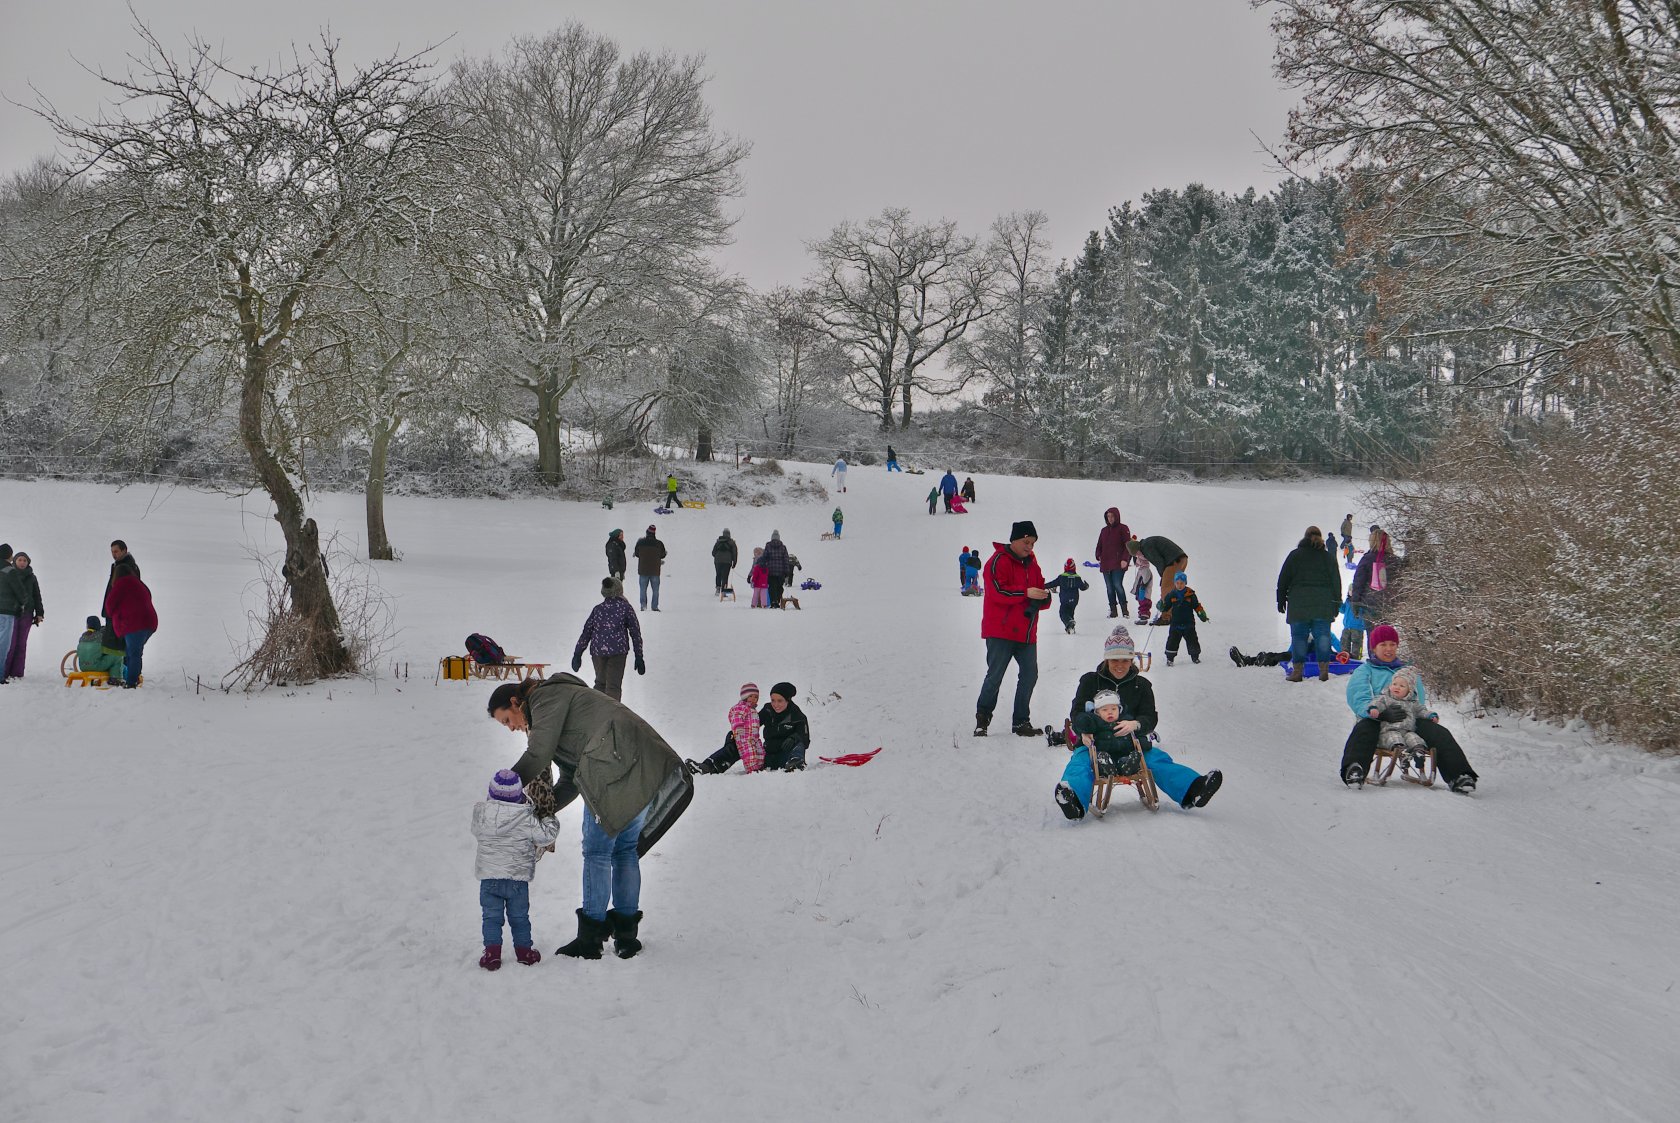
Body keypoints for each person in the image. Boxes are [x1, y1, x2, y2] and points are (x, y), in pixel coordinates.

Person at [488, 674, 694, 959]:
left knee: (597, 852)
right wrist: (540, 812)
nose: (511, 728)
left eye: (507, 720)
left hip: (611, 764)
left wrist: (505, 789)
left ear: (515, 702)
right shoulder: (563, 698)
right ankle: (626, 937)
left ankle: (590, 939)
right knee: (624, 852)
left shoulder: (544, 698)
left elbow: (538, 754)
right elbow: (571, 779)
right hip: (638, 764)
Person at [1055, 625, 1223, 818]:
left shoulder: (1141, 685)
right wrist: (1083, 732)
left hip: (1130, 745)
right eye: (1114, 660)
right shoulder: (1091, 681)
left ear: (1132, 660)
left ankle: (1194, 790)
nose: (1120, 665)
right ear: (1106, 659)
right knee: (1081, 762)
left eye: (1125, 660)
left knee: (1156, 759)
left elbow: (1150, 717)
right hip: (1094, 743)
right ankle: (1073, 799)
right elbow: (1076, 712)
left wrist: (1136, 724)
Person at [1338, 624, 1478, 793]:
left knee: (1439, 733)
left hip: (1408, 720)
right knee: (1363, 730)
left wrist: (1425, 715)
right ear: (1374, 647)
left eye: (1392, 644)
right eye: (1383, 645)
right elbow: (1358, 698)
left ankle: (1460, 776)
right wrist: (1379, 713)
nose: (1388, 649)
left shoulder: (1408, 672)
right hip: (1377, 718)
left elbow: (1418, 698)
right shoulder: (1365, 671)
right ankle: (1354, 769)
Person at [472, 768, 562, 971]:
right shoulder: (526, 818)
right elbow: (546, 836)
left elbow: (476, 830)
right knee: (520, 917)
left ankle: (492, 955)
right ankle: (525, 953)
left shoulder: (482, 814)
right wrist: (549, 818)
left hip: (490, 879)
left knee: (491, 917)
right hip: (516, 880)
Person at [974, 520, 1051, 737]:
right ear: (1015, 540)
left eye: (1033, 544)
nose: (1029, 547)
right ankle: (983, 718)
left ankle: (1020, 722)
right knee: (995, 675)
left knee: (1030, 674)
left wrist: (1044, 597)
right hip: (1000, 631)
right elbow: (997, 592)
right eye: (1027, 542)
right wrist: (1026, 593)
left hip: (1026, 633)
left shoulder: (1033, 565)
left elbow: (1039, 591)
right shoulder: (998, 561)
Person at [1276, 525, 1343, 683]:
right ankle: (1323, 671)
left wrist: (1280, 599)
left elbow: (1283, 579)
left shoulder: (1295, 555)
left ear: (1305, 537)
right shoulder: (1328, 558)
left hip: (1299, 605)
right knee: (1323, 637)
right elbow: (1336, 582)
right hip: (1323, 604)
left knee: (1299, 637)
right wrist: (1336, 603)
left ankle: (1298, 672)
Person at [570, 577, 646, 701]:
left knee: (600, 684)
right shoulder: (625, 608)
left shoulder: (598, 609)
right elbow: (635, 632)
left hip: (598, 652)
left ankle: (597, 713)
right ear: (619, 590)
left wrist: (577, 653)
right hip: (618, 652)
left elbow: (586, 632)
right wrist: (639, 656)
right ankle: (611, 716)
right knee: (613, 687)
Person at [686, 683, 766, 774]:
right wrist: (738, 727)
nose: (753, 699)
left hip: (753, 738)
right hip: (743, 736)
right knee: (748, 753)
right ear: (745, 696)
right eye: (751, 696)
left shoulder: (753, 711)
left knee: (759, 753)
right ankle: (752, 769)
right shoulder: (742, 707)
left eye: (756, 697)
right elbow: (736, 716)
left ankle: (759, 767)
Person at [104, 560, 156, 689]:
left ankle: (131, 682)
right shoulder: (139, 583)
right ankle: (132, 677)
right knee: (133, 652)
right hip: (150, 622)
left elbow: (109, 607)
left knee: (133, 654)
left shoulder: (120, 584)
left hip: (134, 624)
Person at [1370, 667, 1435, 755]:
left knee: (1414, 738)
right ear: (1390, 685)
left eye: (1402, 686)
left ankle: (1418, 752)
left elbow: (1421, 710)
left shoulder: (1412, 702)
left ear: (1409, 690)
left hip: (1407, 731)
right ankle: (1401, 752)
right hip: (1389, 731)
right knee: (1394, 738)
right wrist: (1374, 709)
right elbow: (1377, 702)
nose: (1397, 687)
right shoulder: (1385, 698)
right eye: (1394, 684)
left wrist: (1430, 715)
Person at [2, 551, 43, 679]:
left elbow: (37, 596)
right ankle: (5, 671)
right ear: (14, 561)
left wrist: (39, 613)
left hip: (27, 613)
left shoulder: (32, 577)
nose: (22, 563)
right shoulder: (9, 574)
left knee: (21, 644)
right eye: (20, 560)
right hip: (13, 612)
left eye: (25, 560)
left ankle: (17, 673)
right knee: (10, 643)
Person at [1155, 571, 1209, 666]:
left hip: (1189, 623)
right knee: (1172, 641)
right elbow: (1166, 607)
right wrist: (1161, 606)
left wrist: (1201, 613)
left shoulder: (1190, 594)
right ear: (1175, 583)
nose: (1179, 585)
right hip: (1175, 624)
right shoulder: (1171, 594)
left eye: (1182, 583)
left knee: (1192, 640)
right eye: (1177, 583)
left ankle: (1195, 656)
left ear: (1185, 583)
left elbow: (1196, 606)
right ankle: (1170, 658)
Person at [1349, 528, 1395, 629]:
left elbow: (1358, 582)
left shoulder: (1367, 559)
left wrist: (1355, 602)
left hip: (1370, 606)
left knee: (1373, 638)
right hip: (1389, 606)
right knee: (1386, 636)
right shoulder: (1395, 560)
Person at [760, 682, 811, 771]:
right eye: (773, 700)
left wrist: (793, 738)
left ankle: (796, 762)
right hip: (768, 756)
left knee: (799, 741)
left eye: (780, 701)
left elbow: (805, 738)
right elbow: (752, 724)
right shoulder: (767, 710)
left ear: (788, 700)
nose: (775, 705)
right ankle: (727, 760)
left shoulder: (797, 716)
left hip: (785, 757)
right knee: (736, 734)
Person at [1093, 507, 1133, 619]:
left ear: (1117, 516)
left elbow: (1128, 546)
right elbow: (1099, 546)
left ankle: (1125, 610)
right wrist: (1098, 555)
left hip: (1118, 564)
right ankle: (1113, 610)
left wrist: (1125, 559)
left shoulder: (1123, 528)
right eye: (1108, 516)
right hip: (1106, 564)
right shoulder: (1104, 531)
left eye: (1112, 516)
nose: (1110, 518)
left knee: (1117, 585)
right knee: (1109, 587)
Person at [1129, 535, 1187, 601]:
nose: (1138, 556)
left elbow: (1159, 562)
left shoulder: (1146, 548)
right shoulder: (1146, 543)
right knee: (1173, 587)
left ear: (1137, 550)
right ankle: (1177, 607)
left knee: (1165, 589)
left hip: (1174, 560)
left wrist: (1163, 576)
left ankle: (1167, 610)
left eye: (1137, 554)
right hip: (1180, 558)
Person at [1044, 558, 1090, 635]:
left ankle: (1069, 623)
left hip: (1065, 599)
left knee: (1063, 613)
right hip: (1074, 600)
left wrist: (1043, 586)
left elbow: (1052, 584)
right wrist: (1086, 586)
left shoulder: (1062, 577)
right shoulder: (1077, 577)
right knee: (1070, 613)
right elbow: (1082, 587)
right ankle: (1070, 628)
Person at [75, 615, 125, 681]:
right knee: (117, 656)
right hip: (96, 666)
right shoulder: (101, 637)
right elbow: (108, 650)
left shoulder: (82, 637)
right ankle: (115, 678)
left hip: (83, 667)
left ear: (87, 626)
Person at [102, 540, 139, 626]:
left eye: (116, 551)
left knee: (113, 638)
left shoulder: (126, 567)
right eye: (112, 552)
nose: (113, 554)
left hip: (119, 614)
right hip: (114, 612)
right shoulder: (117, 566)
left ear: (124, 550)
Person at [0, 549, 21, 686]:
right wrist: (24, 603)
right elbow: (19, 590)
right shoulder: (9, 570)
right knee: (3, 644)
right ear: (9, 555)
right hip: (6, 611)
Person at [633, 525, 667, 612]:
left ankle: (643, 606)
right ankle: (654, 607)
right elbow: (663, 555)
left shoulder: (640, 542)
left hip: (643, 570)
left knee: (642, 590)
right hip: (655, 570)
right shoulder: (659, 543)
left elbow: (637, 554)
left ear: (647, 532)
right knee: (655, 590)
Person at [761, 531, 793, 608]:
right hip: (780, 571)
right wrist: (787, 571)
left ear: (772, 538)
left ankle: (773, 602)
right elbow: (786, 559)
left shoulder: (768, 546)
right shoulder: (783, 547)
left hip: (770, 570)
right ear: (779, 538)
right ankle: (777, 601)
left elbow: (764, 557)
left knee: (772, 587)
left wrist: (763, 567)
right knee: (779, 587)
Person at [710, 529, 738, 595]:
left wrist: (718, 557)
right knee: (725, 576)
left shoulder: (718, 542)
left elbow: (713, 553)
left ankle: (717, 589)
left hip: (718, 561)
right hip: (727, 562)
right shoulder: (732, 542)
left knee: (718, 574)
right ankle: (723, 591)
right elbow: (735, 553)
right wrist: (734, 562)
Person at [1129, 557, 1154, 625]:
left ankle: (1144, 617)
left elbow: (1146, 579)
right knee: (1141, 603)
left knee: (1144, 604)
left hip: (1144, 592)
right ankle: (1142, 615)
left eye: (1138, 562)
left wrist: (1142, 587)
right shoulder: (1142, 569)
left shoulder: (1145, 570)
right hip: (1140, 591)